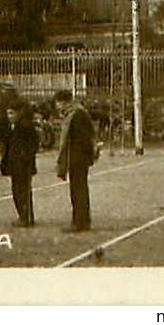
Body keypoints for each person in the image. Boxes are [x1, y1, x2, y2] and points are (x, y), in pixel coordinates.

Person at [55, 89, 97, 232]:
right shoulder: (75, 113)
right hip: (77, 157)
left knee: (78, 190)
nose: (57, 107)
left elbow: (83, 138)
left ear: (64, 102)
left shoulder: (76, 115)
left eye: (58, 103)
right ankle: (79, 219)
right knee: (77, 189)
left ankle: (81, 221)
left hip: (77, 158)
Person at [0, 100, 39, 228]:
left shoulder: (25, 126)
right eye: (8, 114)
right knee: (17, 191)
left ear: (19, 113)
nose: (9, 116)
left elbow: (34, 144)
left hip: (23, 165)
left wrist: (25, 157)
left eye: (11, 113)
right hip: (15, 164)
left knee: (23, 191)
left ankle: (25, 217)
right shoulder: (12, 127)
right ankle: (24, 215)